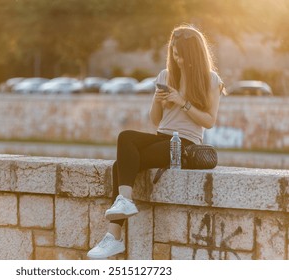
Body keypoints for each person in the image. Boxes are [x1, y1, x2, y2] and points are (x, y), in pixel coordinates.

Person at [87, 24, 226, 259]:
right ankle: (123, 208)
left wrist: (183, 102)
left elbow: (210, 121)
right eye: (173, 52)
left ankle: (114, 236)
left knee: (120, 167)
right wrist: (158, 100)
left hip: (186, 143)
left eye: (181, 54)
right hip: (163, 135)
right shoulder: (165, 75)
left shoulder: (211, 80)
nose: (177, 59)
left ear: (193, 54)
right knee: (126, 138)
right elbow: (155, 120)